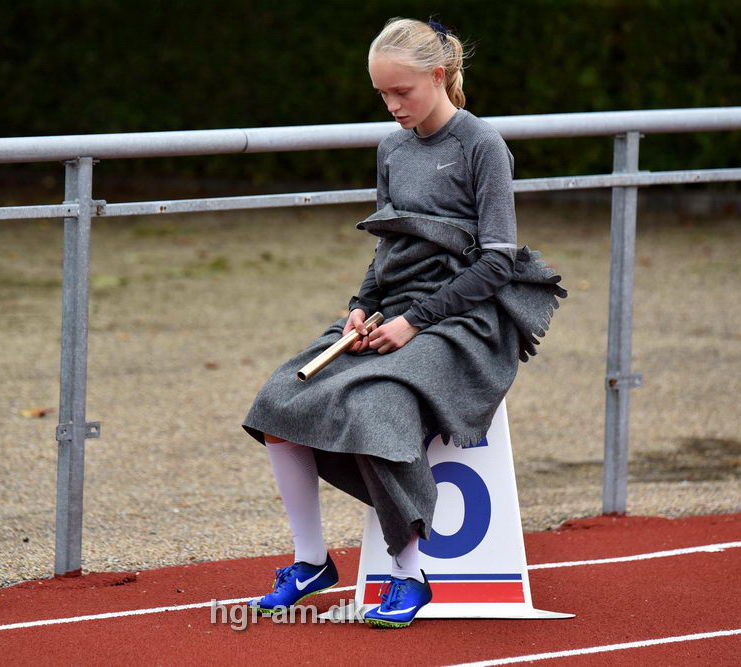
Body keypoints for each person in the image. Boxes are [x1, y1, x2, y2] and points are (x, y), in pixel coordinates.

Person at [241, 17, 567, 629]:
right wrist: (361, 307)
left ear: (438, 76)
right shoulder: (392, 146)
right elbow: (386, 246)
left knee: (379, 402)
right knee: (280, 398)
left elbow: (498, 261)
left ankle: (407, 576)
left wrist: (414, 322)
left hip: (470, 317)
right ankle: (310, 562)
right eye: (383, 95)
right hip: (397, 309)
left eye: (403, 92)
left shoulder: (483, 145)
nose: (393, 107)